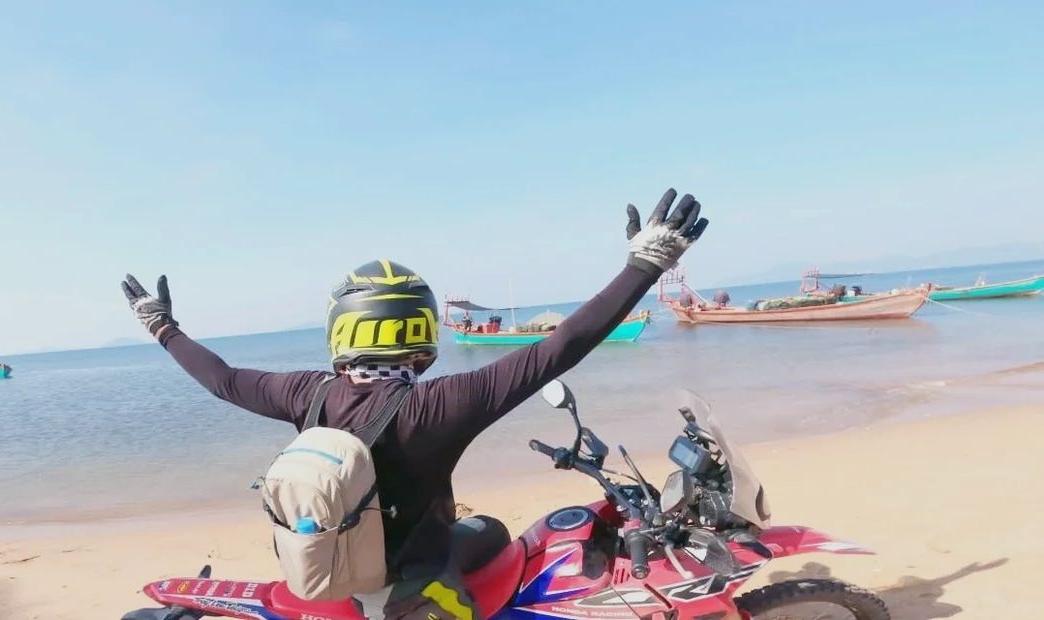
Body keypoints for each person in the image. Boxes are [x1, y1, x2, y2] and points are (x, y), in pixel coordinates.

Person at [121, 189, 709, 620]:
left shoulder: (305, 392)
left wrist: (162, 327)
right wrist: (645, 264)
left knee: (494, 531)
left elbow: (221, 378)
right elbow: (562, 347)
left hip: (337, 565)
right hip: (407, 588)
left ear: (342, 331)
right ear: (421, 328)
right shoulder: (439, 406)